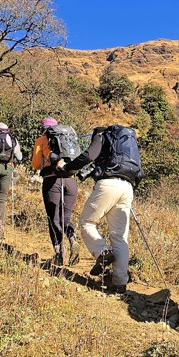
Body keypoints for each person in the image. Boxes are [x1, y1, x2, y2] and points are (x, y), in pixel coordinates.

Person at [56, 124, 143, 295]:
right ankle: (119, 284)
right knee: (119, 236)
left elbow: (89, 155)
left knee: (87, 223)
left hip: (108, 183)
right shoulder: (128, 144)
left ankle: (102, 252)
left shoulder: (101, 134)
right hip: (127, 187)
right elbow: (140, 173)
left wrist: (67, 167)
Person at [31, 117, 79, 265]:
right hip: (71, 181)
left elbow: (35, 164)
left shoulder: (42, 139)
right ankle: (72, 238)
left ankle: (59, 254)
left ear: (43, 128)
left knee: (53, 218)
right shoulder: (69, 137)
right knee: (66, 217)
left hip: (52, 181)